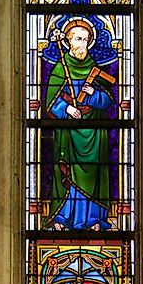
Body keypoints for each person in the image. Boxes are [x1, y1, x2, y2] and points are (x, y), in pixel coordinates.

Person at [45, 19, 114, 231]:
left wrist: (94, 96)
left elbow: (108, 100)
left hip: (93, 130)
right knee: (68, 173)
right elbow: (50, 102)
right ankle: (64, 217)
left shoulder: (94, 69)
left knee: (93, 175)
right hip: (68, 130)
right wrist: (66, 109)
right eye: (78, 39)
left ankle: (94, 219)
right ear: (68, 42)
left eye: (85, 40)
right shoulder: (60, 69)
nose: (82, 44)